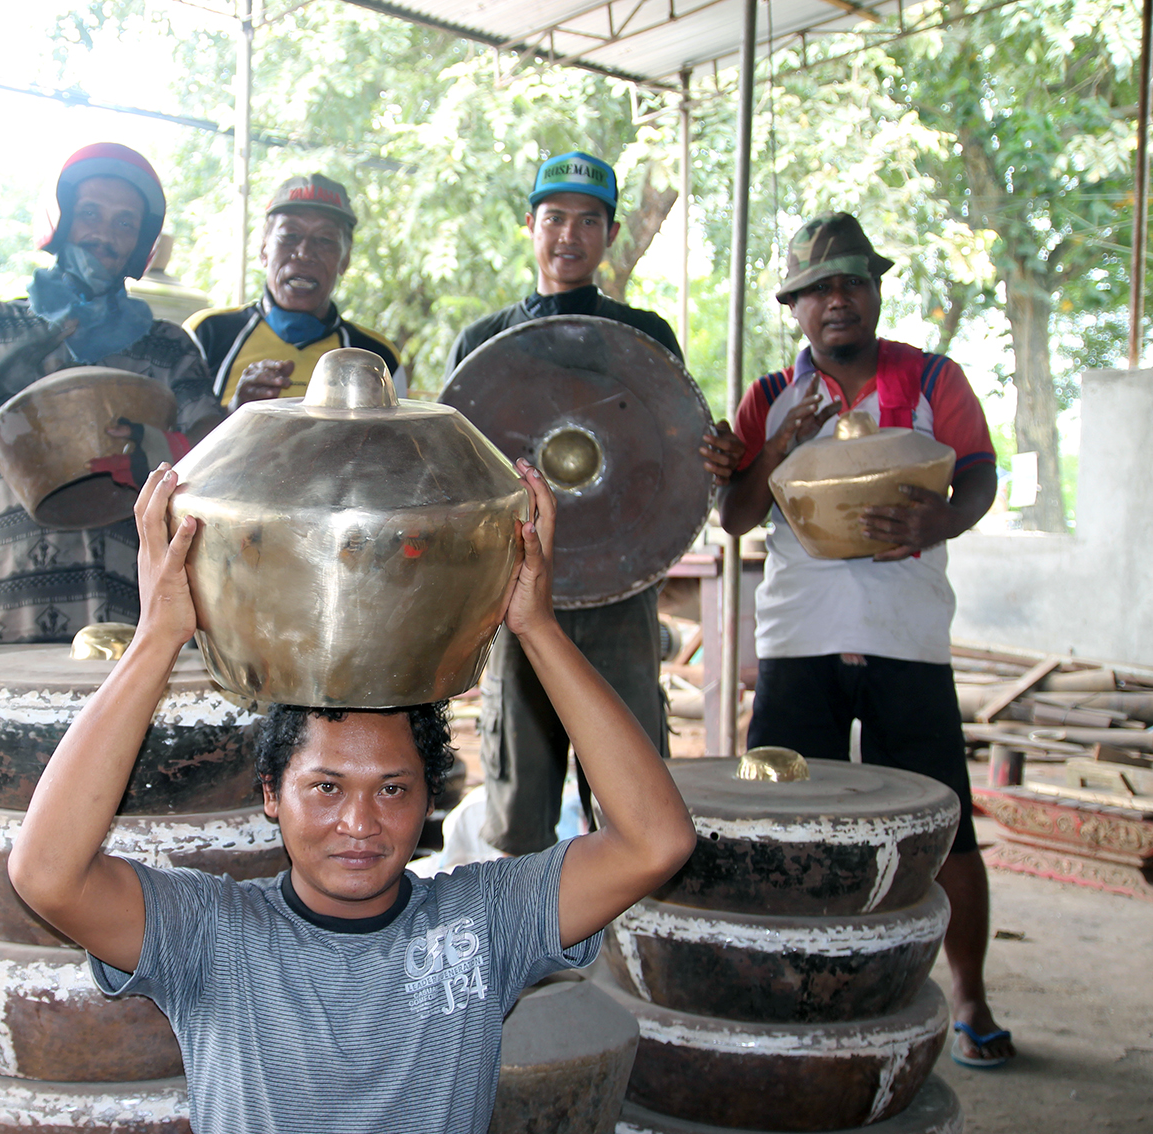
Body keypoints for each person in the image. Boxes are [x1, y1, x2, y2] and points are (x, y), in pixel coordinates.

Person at [7, 460, 697, 1134]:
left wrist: (539, 631)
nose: (360, 823)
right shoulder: (209, 935)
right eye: (326, 787)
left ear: (430, 798)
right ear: (272, 794)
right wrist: (155, 640)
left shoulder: (483, 926)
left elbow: (654, 841)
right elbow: (46, 874)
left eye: (393, 789)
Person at [715, 212, 1009, 1069]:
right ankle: (780, 985)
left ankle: (969, 996)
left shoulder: (930, 378)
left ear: (875, 292)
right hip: (799, 636)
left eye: (850, 283)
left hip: (904, 634)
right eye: (816, 290)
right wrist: (779, 444)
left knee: (941, 825)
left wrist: (945, 513)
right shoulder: (770, 396)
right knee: (782, 819)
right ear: (794, 308)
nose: (835, 301)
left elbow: (980, 470)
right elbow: (733, 517)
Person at [445, 150, 740, 856]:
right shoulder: (484, 343)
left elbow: (667, 456)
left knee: (628, 789)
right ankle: (528, 960)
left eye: (587, 221)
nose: (568, 236)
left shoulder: (644, 339)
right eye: (554, 219)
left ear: (609, 236)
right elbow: (457, 473)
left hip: (619, 591)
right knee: (520, 804)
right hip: (518, 593)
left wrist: (711, 460)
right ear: (529, 226)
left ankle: (623, 955)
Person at [0, 143, 220, 648]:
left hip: (136, 616)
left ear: (141, 243)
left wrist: (164, 450)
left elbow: (218, 448)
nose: (105, 235)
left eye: (125, 224)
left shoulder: (167, 347)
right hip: (3, 611)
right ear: (58, 222)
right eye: (90, 215)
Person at [185, 174, 406, 407]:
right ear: (263, 250)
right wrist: (237, 412)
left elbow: (393, 442)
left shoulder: (377, 359)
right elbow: (175, 438)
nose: (304, 253)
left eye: (325, 239)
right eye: (290, 236)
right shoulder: (205, 334)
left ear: (345, 259)